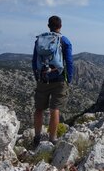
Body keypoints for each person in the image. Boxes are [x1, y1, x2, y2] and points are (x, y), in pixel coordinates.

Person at [32, 15, 73, 145]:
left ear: (48, 26)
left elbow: (34, 61)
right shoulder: (64, 40)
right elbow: (69, 62)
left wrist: (37, 76)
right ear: (60, 26)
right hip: (59, 78)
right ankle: (52, 138)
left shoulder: (39, 40)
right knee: (55, 109)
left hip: (42, 78)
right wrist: (69, 79)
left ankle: (37, 137)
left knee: (39, 109)